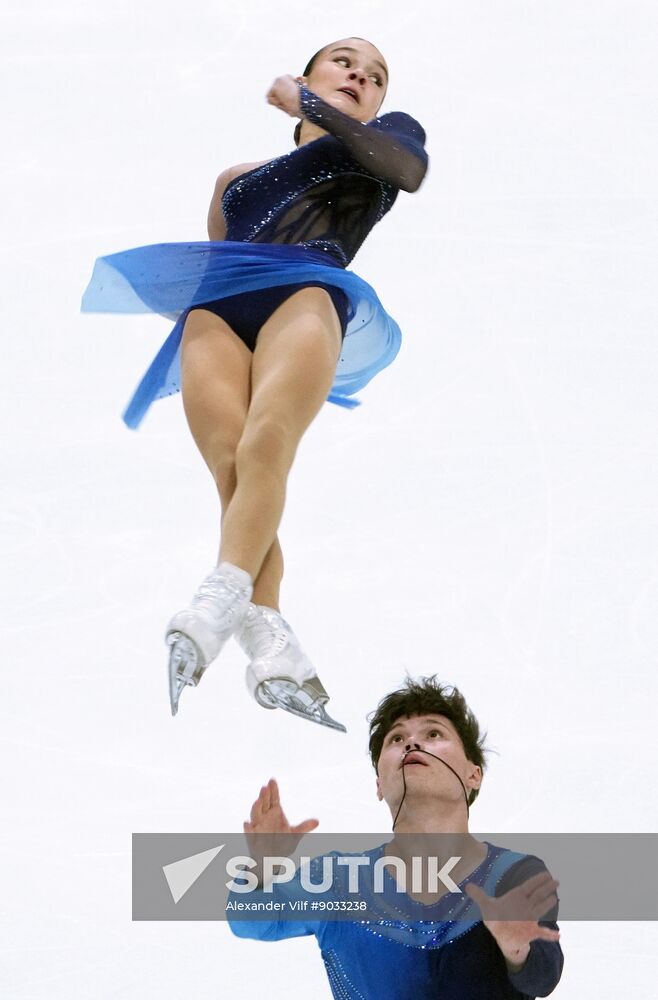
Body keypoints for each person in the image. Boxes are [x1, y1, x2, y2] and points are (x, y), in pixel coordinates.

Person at [81, 38, 428, 725]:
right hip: (218, 308)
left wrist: (311, 108)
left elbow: (408, 172)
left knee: (269, 439)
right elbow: (223, 248)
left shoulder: (386, 141)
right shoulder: (234, 177)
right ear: (307, 73)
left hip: (307, 288)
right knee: (233, 470)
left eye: (375, 75)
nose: (360, 74)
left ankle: (218, 600)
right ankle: (270, 636)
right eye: (343, 62)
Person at [229, 677, 564, 999]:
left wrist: (516, 947)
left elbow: (543, 978)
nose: (412, 743)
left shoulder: (514, 872)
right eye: (396, 739)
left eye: (434, 733)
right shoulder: (340, 880)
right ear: (379, 784)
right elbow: (254, 923)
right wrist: (262, 868)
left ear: (473, 773)